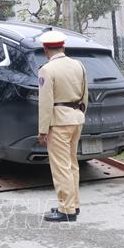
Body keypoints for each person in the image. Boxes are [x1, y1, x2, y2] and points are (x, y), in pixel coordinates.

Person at [37, 30, 88, 223]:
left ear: (45, 50)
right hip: (76, 118)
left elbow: (45, 102)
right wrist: (80, 114)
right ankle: (73, 204)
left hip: (58, 122)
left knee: (61, 167)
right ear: (63, 47)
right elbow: (85, 94)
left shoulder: (47, 70)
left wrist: (43, 130)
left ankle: (66, 209)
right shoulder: (79, 65)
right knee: (72, 163)